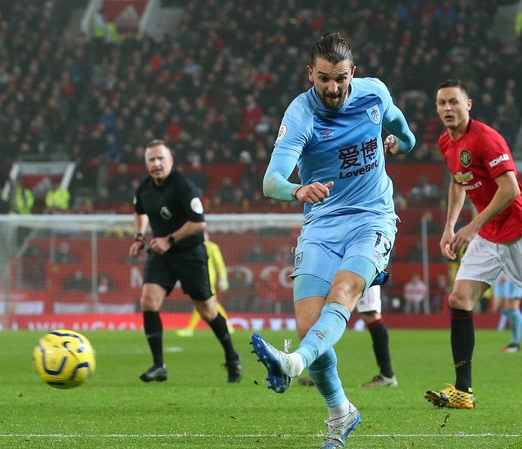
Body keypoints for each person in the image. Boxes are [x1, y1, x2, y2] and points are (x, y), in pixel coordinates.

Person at [249, 32, 415, 448]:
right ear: (310, 74)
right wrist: (297, 190)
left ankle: (293, 363)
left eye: (340, 78)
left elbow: (403, 131)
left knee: (344, 290)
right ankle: (341, 412)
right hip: (321, 223)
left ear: (352, 73)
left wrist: (402, 144)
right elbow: (271, 181)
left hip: (372, 217)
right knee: (309, 325)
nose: (333, 88)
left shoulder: (374, 95)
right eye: (323, 78)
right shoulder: (301, 114)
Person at [423, 79, 522, 410]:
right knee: (459, 299)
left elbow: (510, 189)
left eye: (454, 102)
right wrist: (450, 227)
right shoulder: (446, 142)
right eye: (441, 103)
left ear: (468, 104)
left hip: (517, 229)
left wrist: (471, 226)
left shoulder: (486, 139)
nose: (447, 108)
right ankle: (463, 391)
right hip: (489, 234)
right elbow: (458, 181)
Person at [129, 140, 241, 384]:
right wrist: (139, 237)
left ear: (170, 161)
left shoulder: (183, 185)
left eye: (161, 158)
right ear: (146, 164)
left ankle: (232, 357)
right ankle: (159, 365)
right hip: (162, 253)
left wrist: (170, 239)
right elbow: (140, 211)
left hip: (190, 254)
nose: (156, 164)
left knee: (207, 310)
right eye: (151, 159)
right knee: (148, 300)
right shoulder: (144, 189)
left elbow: (199, 222)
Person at [298, 285, 398, 387]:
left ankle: (387, 374)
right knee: (324, 309)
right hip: (338, 272)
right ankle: (320, 373)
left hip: (363, 271)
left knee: (370, 314)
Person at [176, 230, 235, 337]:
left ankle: (190, 329)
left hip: (208, 278)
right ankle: (227, 325)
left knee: (203, 302)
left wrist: (223, 277)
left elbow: (219, 263)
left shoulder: (212, 247)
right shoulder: (194, 247)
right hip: (198, 277)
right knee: (211, 303)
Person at [493, 272, 522, 353]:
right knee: (500, 306)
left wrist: (508, 273)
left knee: (512, 307)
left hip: (514, 273)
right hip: (501, 272)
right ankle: (519, 324)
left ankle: (515, 344)